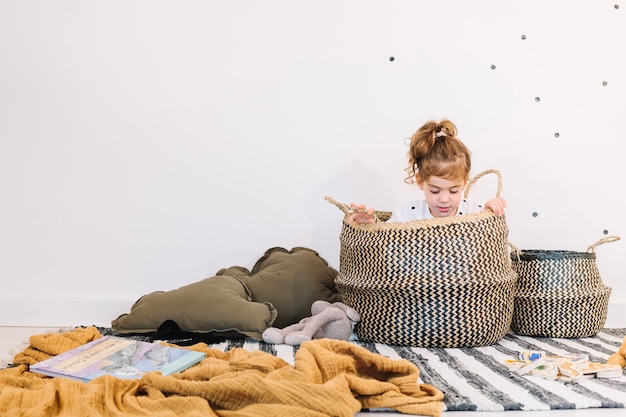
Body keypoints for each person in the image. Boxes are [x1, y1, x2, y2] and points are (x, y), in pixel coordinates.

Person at [348, 118, 506, 224]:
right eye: (435, 191)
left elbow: (488, 234)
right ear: (420, 181)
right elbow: (386, 239)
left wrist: (491, 210)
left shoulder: (474, 212)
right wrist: (370, 223)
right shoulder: (407, 215)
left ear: (464, 183)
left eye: (453, 190)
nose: (444, 199)